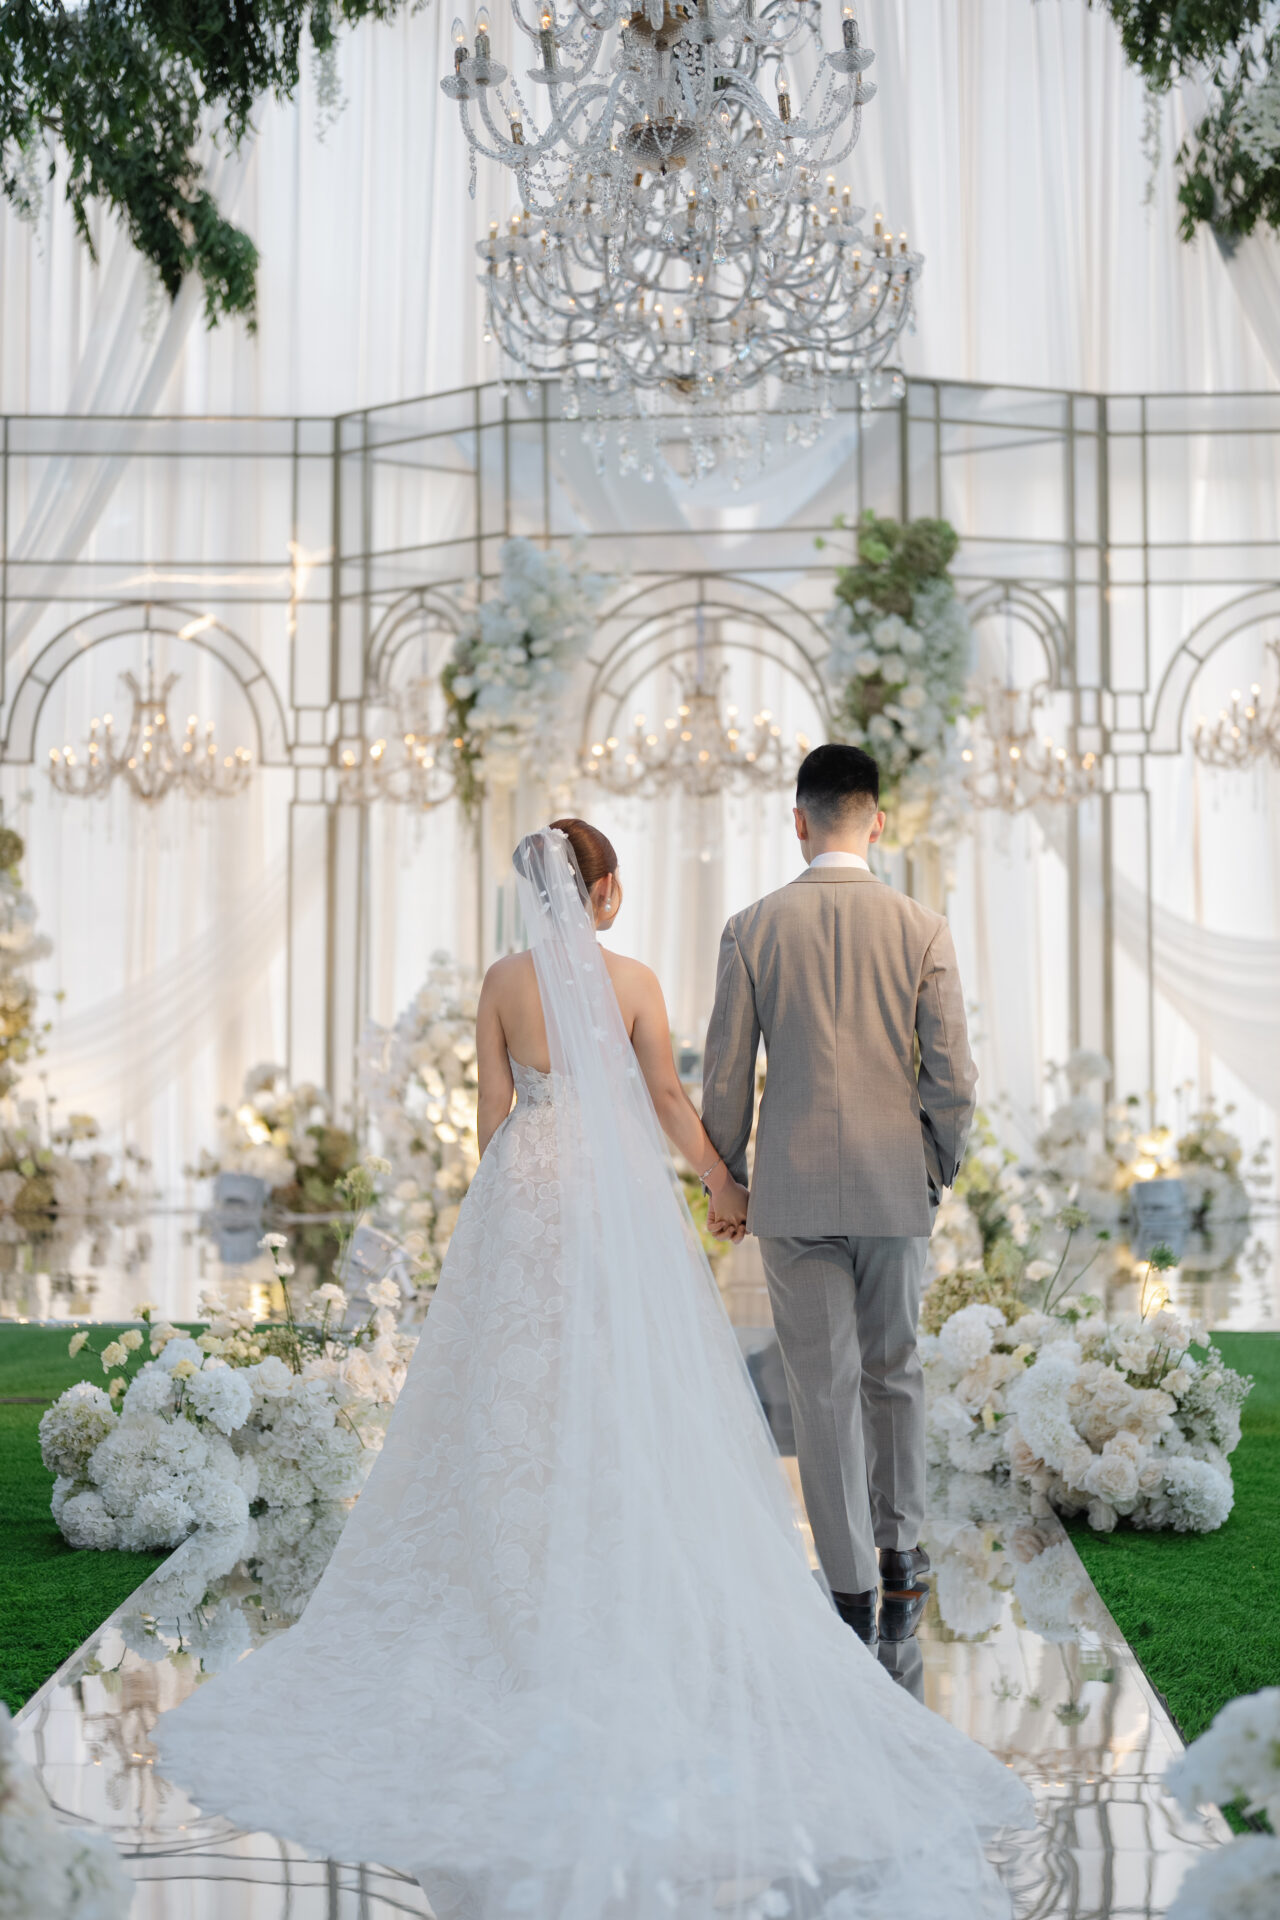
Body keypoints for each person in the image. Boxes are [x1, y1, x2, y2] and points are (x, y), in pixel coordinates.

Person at [156, 817, 1030, 1920]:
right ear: (603, 890)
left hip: (526, 1186)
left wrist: (500, 1214)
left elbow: (490, 1118)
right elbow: (669, 1099)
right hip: (615, 1190)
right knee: (630, 1386)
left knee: (513, 1389)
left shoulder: (502, 982)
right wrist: (724, 1182)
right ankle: (626, 1548)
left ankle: (507, 1565)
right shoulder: (629, 978)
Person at [702, 744, 977, 1649]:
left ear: (798, 821)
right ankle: (901, 1551)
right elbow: (954, 1078)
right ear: (878, 820)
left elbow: (728, 1078)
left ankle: (852, 1582)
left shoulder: (752, 927)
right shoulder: (921, 926)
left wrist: (732, 1180)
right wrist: (932, 1167)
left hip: (791, 1189)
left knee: (819, 1388)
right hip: (894, 1181)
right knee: (895, 1370)